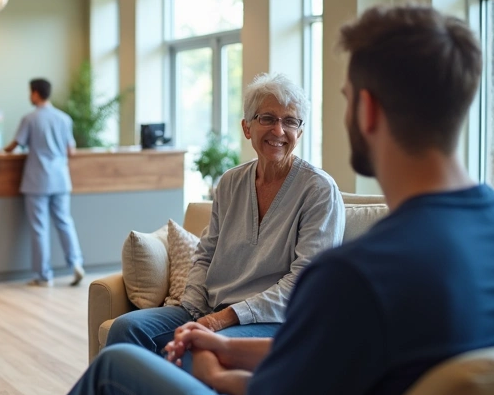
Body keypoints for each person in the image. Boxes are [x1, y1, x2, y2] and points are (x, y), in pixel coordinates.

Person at [31, 4, 494, 395]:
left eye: (343, 99)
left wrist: (216, 374)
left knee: (118, 366)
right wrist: (225, 346)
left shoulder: (359, 277)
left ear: (368, 111)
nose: (284, 128)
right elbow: (331, 368)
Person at [106, 73, 344, 352]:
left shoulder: (318, 190)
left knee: (204, 351)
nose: (279, 131)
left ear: (299, 133)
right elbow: (206, 253)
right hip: (213, 310)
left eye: (290, 121)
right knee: (127, 329)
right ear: (247, 127)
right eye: (267, 118)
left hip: (275, 320)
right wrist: (193, 311)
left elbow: (306, 283)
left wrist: (221, 320)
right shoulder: (230, 182)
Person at [4, 78, 85, 287]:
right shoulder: (64, 118)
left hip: (37, 180)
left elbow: (14, 146)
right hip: (60, 179)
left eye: (30, 92)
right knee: (65, 222)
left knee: (39, 228)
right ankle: (76, 263)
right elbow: (71, 151)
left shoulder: (30, 119)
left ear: (36, 93)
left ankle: (43, 276)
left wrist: (1, 150)